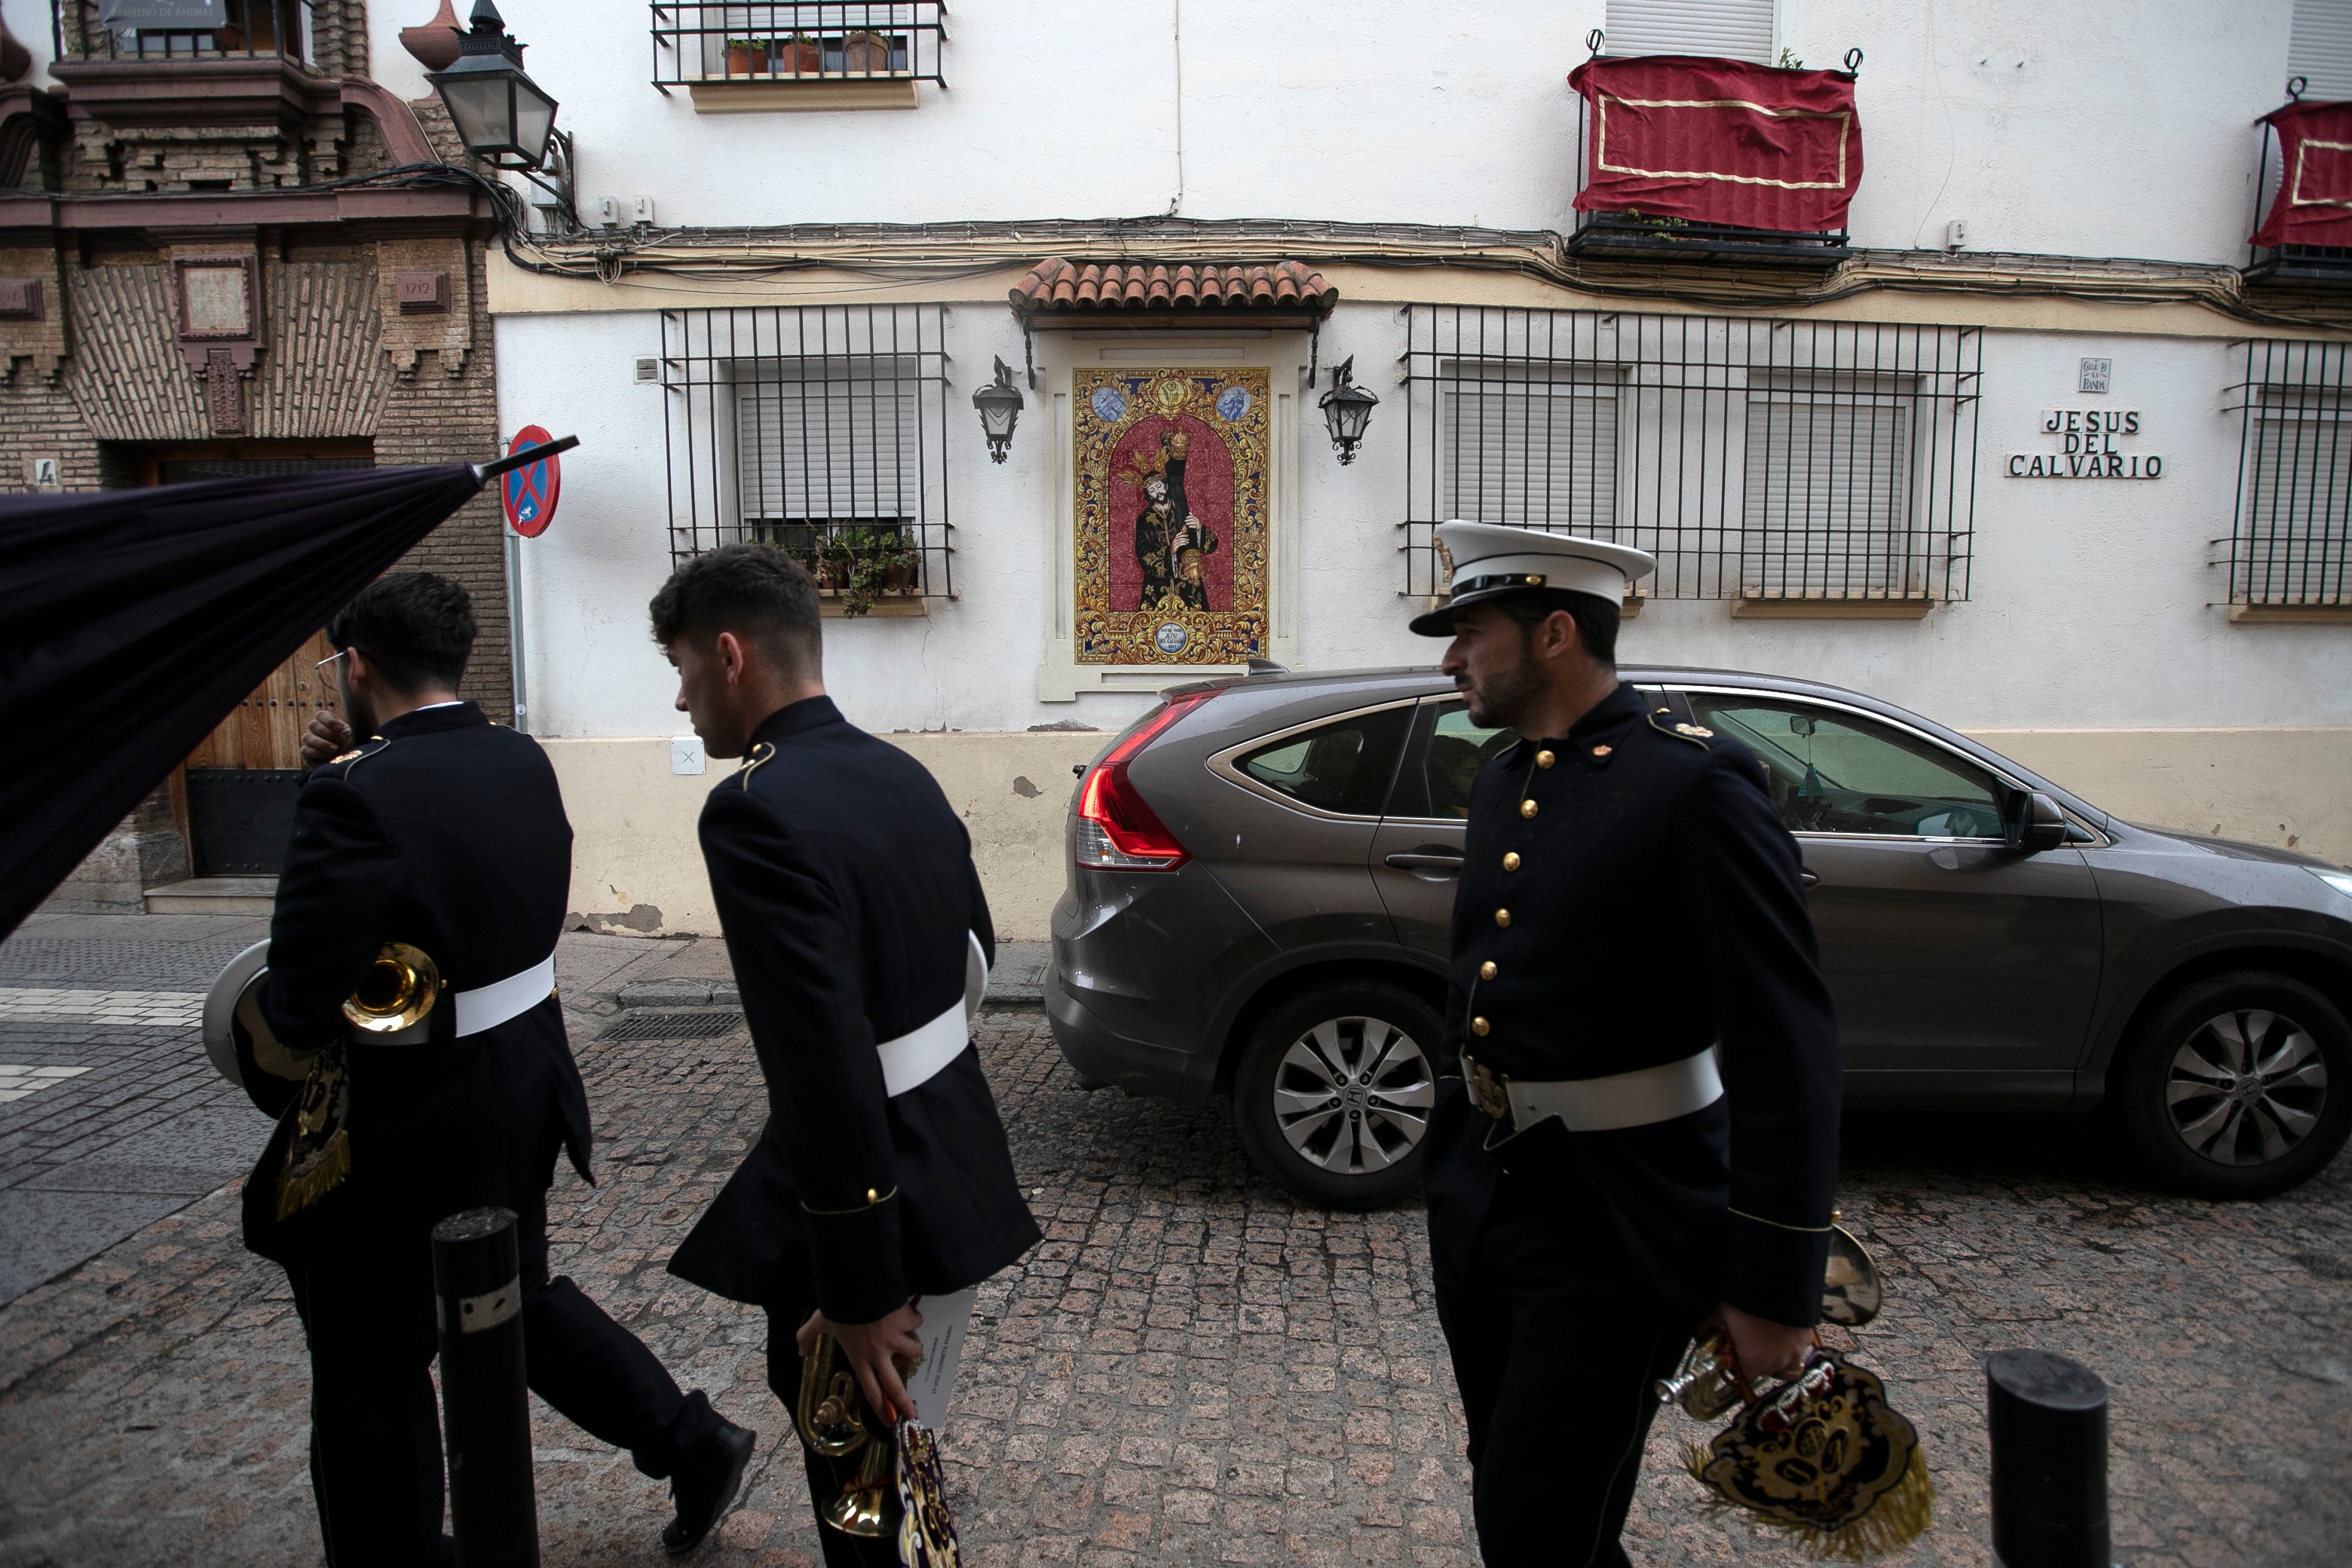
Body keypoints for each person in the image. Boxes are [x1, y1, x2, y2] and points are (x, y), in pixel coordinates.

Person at [247, 572, 754, 1566]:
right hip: (521, 1082)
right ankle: (689, 1440)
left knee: (367, 1353)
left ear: (357, 666)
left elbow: (300, 1002)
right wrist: (355, 766)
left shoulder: (353, 796)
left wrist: (335, 783)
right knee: (511, 1295)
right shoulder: (518, 759)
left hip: (407, 1115)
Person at [1406, 522, 1842, 1567]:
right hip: (1487, 1198)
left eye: (1471, 632)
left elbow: (1787, 1043)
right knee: (1517, 1494)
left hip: (1618, 1223)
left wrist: (1776, 1286)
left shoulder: (1695, 789)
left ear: (1556, 632)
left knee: (1539, 1523)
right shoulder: (1506, 779)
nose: (1450, 657)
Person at [650, 544, 1041, 1566]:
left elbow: (820, 1061)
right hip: (941, 1149)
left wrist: (861, 1289)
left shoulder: (752, 808)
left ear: (731, 655)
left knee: (859, 1475)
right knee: (894, 1454)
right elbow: (974, 954)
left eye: (684, 671)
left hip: (869, 1203)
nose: (684, 702)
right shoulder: (896, 768)